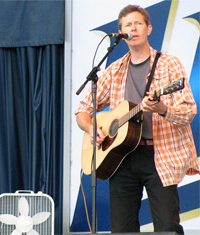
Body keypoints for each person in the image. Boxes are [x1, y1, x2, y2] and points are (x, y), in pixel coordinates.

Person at [75, 5, 198, 234]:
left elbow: (189, 110)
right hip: (120, 157)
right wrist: (92, 129)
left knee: (167, 227)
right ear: (121, 33)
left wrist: (162, 108)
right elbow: (82, 110)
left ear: (149, 28)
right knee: (121, 229)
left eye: (138, 23)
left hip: (159, 155)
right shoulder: (114, 70)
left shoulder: (169, 64)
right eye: (127, 25)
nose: (133, 28)